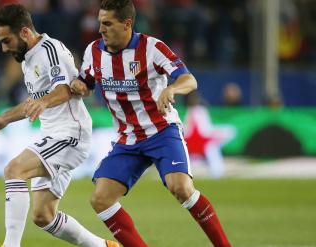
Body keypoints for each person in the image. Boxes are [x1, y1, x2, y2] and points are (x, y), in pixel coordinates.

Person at [70, 0, 232, 246]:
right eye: (100, 22)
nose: (100, 29)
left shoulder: (152, 47)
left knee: (181, 188)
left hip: (162, 132)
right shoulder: (93, 51)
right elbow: (86, 82)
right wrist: (79, 86)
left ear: (127, 24)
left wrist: (172, 89)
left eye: (107, 23)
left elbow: (189, 80)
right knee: (100, 199)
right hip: (128, 139)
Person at [0, 4, 119, 247]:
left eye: (6, 40)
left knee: (14, 170)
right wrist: (4, 118)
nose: (3, 48)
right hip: (54, 135)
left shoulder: (49, 50)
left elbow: (68, 89)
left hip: (70, 135)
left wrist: (43, 102)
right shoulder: (27, 59)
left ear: (24, 32)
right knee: (43, 216)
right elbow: (34, 102)